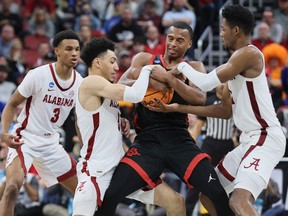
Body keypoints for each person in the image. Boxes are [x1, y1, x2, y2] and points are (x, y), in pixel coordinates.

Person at [147, 5, 286, 216]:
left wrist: (182, 67)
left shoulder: (249, 54)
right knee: (209, 195)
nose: (220, 34)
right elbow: (224, 111)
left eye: (222, 29)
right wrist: (178, 107)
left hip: (265, 137)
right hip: (249, 140)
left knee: (239, 202)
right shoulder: (235, 64)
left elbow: (204, 84)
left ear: (236, 30)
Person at [95, 21, 233, 216]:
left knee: (218, 194)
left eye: (180, 40)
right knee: (111, 196)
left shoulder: (193, 66)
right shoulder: (145, 59)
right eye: (170, 38)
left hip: (179, 140)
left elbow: (200, 99)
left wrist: (170, 80)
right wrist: (150, 81)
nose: (173, 43)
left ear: (190, 44)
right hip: (147, 142)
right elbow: (123, 83)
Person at [73, 37, 185, 216]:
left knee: (176, 202)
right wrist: (148, 69)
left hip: (122, 167)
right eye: (112, 62)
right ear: (97, 63)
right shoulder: (90, 82)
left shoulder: (106, 90)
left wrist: (119, 122)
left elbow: (93, 121)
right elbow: (134, 94)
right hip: (97, 171)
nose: (117, 67)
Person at [0, 30, 83, 216]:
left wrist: (85, 148)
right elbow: (12, 104)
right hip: (25, 138)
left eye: (77, 49)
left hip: (51, 144)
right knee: (12, 187)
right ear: (57, 51)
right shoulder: (38, 75)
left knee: (84, 193)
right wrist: (5, 133)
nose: (74, 53)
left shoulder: (80, 83)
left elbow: (79, 119)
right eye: (69, 49)